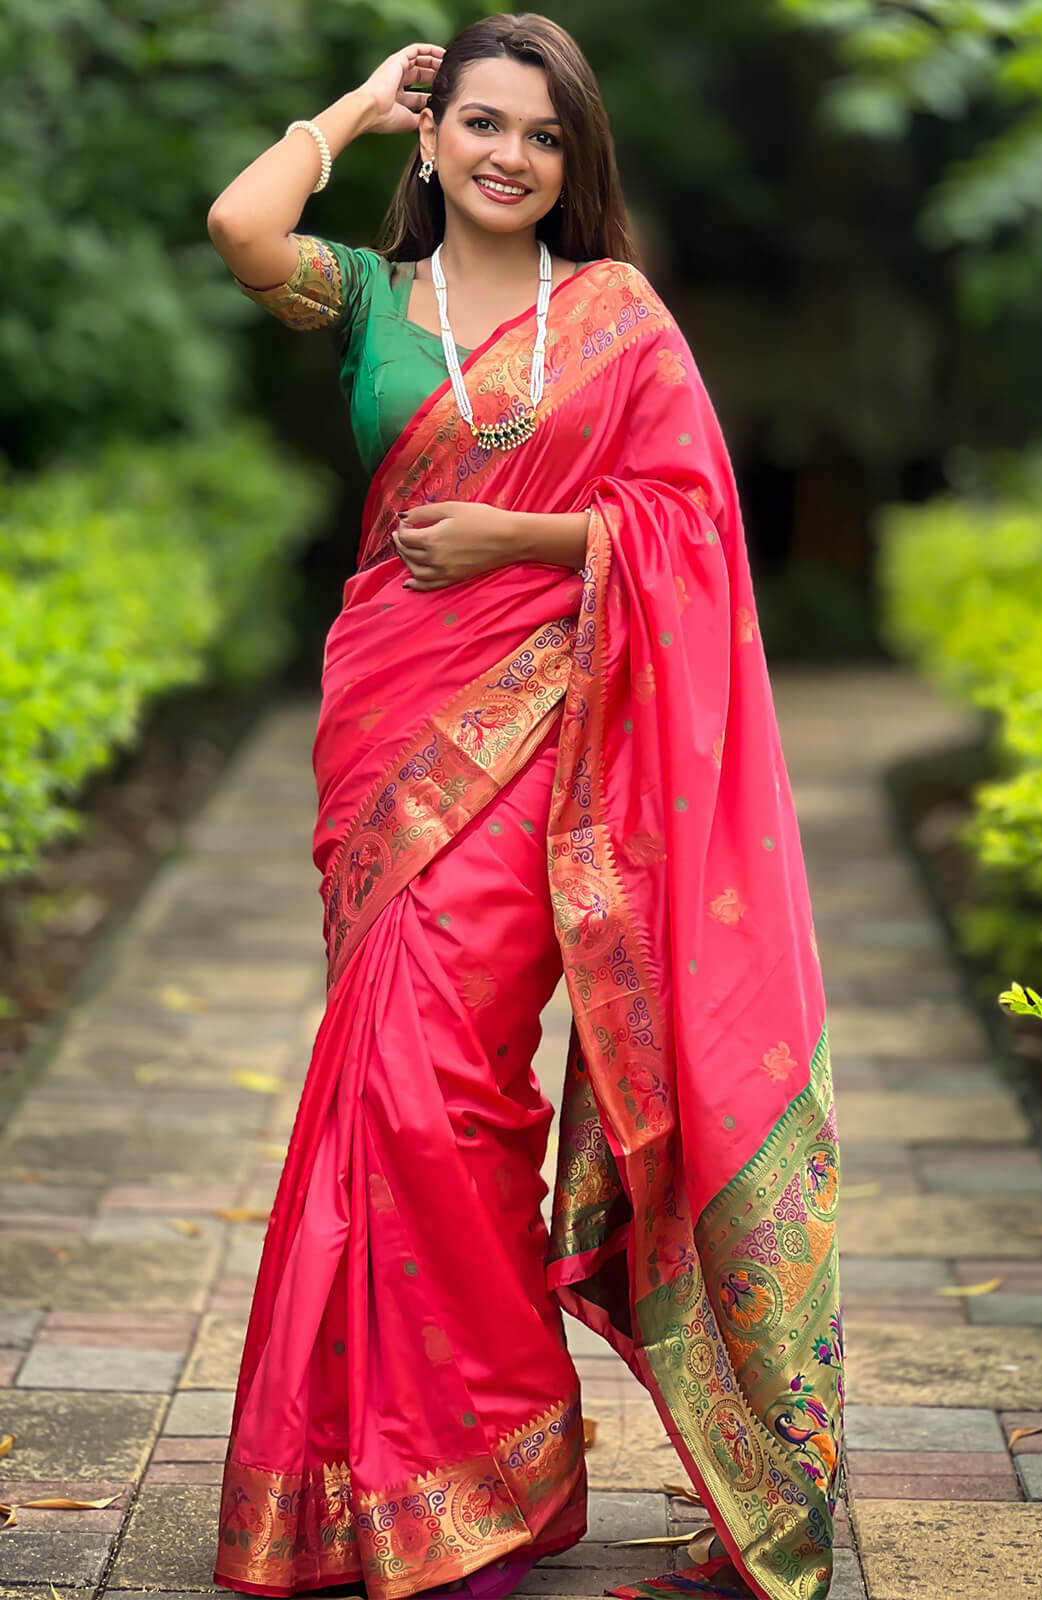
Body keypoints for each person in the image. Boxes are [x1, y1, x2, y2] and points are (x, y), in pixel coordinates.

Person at [205, 14, 845, 1600]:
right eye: (480, 124)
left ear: (577, 163)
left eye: (543, 135)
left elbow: (688, 524)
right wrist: (355, 105)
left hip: (542, 742)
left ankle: (479, 1477)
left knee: (447, 1092)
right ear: (434, 140)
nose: (508, 155)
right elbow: (238, 227)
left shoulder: (616, 314)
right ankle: (407, 1485)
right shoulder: (364, 294)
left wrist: (524, 542)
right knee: (385, 1091)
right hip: (385, 733)